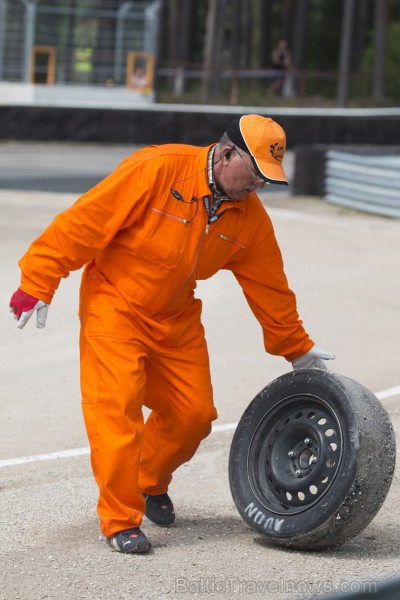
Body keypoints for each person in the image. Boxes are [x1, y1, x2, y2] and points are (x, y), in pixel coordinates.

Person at [9, 114, 334, 555]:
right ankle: (120, 520)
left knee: (194, 415)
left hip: (175, 319)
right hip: (115, 307)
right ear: (225, 153)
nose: (258, 186)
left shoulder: (249, 219)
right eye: (254, 174)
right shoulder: (158, 170)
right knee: (117, 408)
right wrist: (38, 280)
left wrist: (296, 348)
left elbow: (270, 287)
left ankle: (147, 481)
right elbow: (86, 221)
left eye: (267, 179)